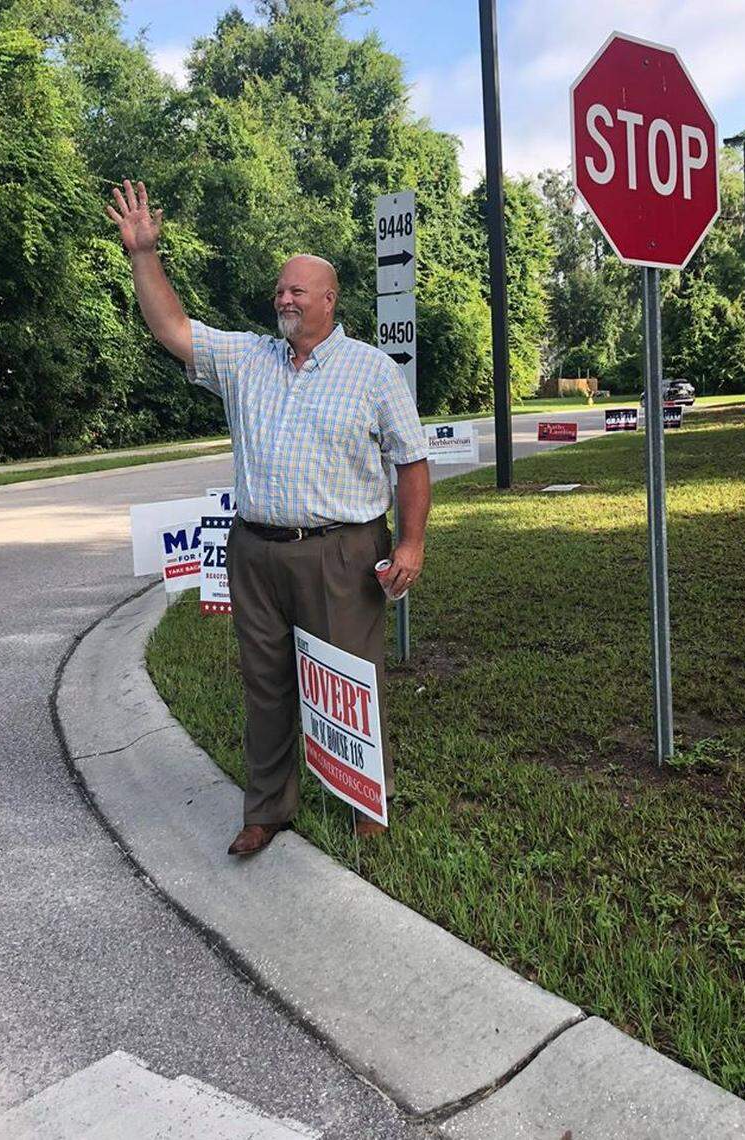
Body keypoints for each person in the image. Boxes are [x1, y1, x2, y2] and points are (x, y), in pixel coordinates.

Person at [106, 179, 430, 856]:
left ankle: (365, 798)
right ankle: (268, 809)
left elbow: (411, 462)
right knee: (266, 681)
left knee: (348, 679)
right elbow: (171, 328)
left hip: (344, 551)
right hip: (254, 550)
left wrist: (414, 544)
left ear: (329, 301)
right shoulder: (247, 359)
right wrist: (143, 255)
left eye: (297, 291)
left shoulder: (373, 372)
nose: (283, 298)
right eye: (280, 289)